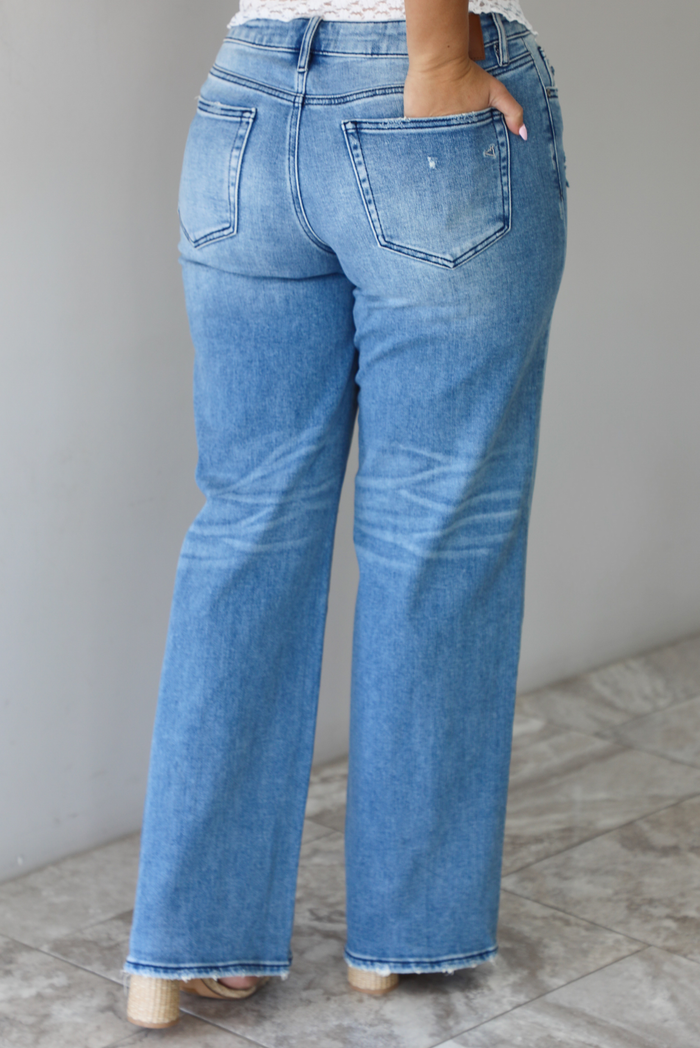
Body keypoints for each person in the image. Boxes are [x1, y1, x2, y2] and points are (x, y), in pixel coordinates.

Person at [125, 0, 566, 1028]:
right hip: (417, 103)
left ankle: (183, 942)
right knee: (437, 530)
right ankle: (399, 936)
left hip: (245, 100)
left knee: (248, 527)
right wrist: (440, 54)